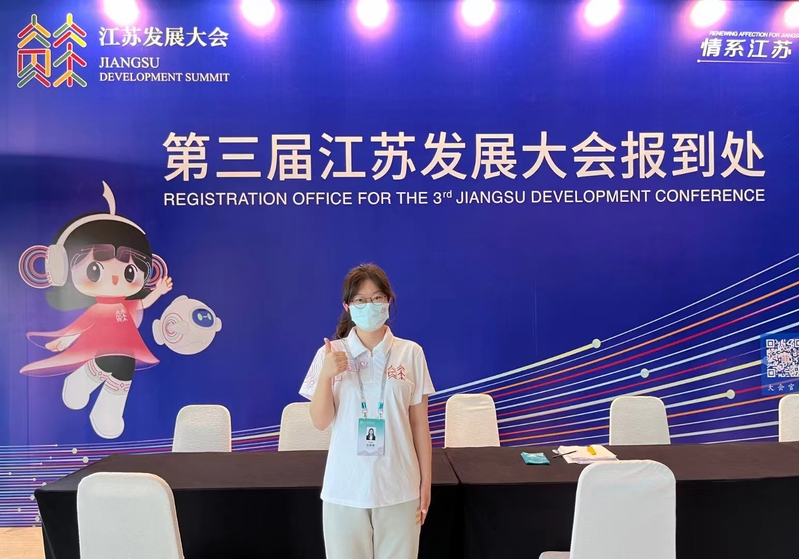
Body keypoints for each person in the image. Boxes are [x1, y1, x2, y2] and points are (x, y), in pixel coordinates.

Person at [300, 263, 435, 559]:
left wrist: (426, 481)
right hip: (345, 487)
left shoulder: (411, 353)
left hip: (400, 485)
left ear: (388, 301)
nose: (369, 306)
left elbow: (419, 424)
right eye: (360, 300)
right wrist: (326, 375)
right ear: (347, 306)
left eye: (376, 298)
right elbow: (320, 421)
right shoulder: (330, 354)